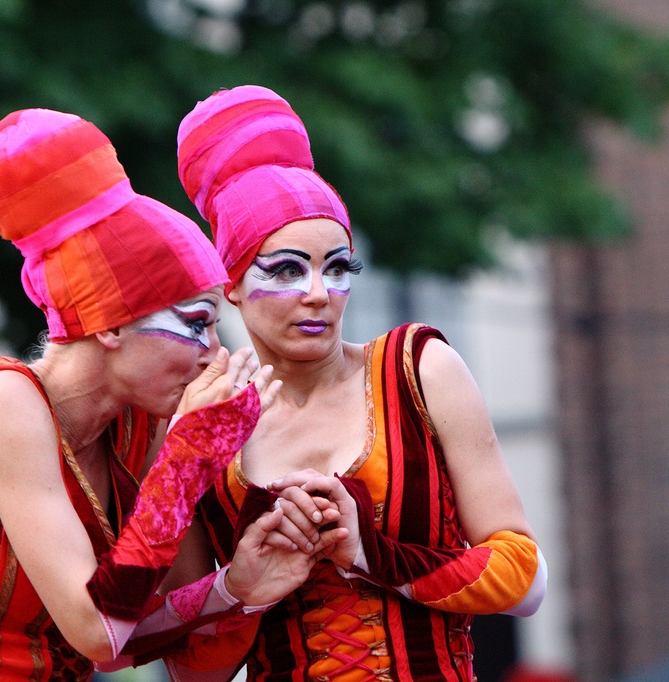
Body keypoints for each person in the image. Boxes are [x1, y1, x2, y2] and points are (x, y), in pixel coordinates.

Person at [0, 107, 333, 681]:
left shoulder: (138, 421)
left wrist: (235, 586)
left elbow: (132, 635)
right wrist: (188, 461)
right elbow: (97, 631)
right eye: (198, 322)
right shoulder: (0, 401)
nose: (215, 354)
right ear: (110, 325)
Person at [171, 85, 549, 681]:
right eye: (287, 270)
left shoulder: (417, 369)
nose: (319, 293)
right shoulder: (202, 422)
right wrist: (243, 588)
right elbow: (192, 670)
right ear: (232, 284)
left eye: (338, 266)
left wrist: (371, 554)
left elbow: (526, 577)